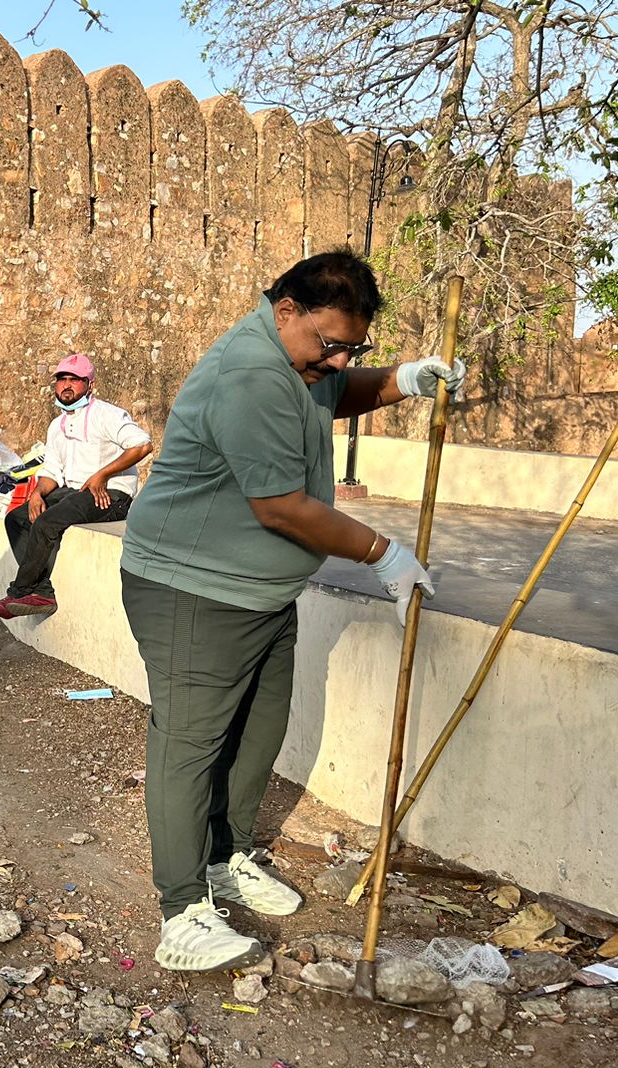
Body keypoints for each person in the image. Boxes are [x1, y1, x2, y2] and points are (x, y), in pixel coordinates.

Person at [119, 248, 465, 972]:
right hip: (193, 587)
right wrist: (384, 553)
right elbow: (281, 509)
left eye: (354, 348)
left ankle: (227, 857)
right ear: (286, 312)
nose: (339, 361)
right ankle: (181, 909)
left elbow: (332, 395)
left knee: (256, 733)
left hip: (260, 592)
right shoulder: (250, 374)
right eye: (330, 344)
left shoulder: (302, 364)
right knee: (190, 742)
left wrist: (400, 380)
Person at [0, 353, 153, 618]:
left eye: (75, 380)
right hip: (74, 492)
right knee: (17, 518)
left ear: (90, 384)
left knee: (46, 523)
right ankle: (42, 591)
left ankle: (20, 591)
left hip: (110, 495)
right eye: (62, 379)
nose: (67, 385)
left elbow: (142, 444)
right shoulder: (57, 425)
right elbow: (52, 471)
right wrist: (37, 494)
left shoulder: (107, 415)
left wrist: (102, 475)